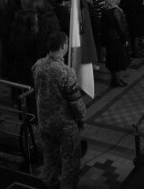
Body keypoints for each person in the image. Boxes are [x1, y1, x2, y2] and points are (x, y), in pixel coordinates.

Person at [32, 31, 86, 189]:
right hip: (64, 125)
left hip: (45, 122)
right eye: (67, 43)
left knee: (50, 157)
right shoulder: (66, 72)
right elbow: (76, 103)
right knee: (70, 162)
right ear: (63, 46)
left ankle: (49, 184)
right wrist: (82, 118)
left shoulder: (37, 65)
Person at [102, 0, 130, 87]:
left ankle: (114, 79)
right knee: (117, 61)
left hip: (109, 40)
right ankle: (117, 80)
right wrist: (125, 39)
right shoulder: (116, 11)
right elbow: (121, 27)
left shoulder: (105, 10)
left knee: (112, 60)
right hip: (117, 39)